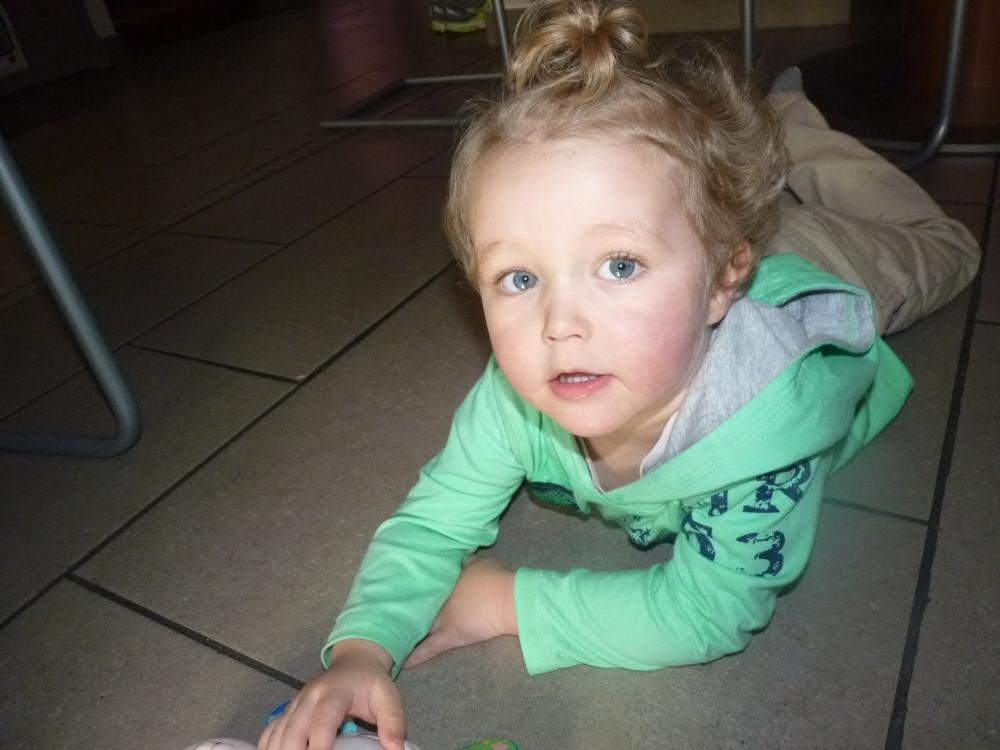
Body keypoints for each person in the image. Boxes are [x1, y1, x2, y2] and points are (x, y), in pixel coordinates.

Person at [259, 2, 980, 749]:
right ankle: (768, 152)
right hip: (709, 246)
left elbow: (710, 611)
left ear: (723, 280)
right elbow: (433, 522)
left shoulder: (760, 434)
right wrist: (361, 650)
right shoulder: (516, 399)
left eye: (619, 265)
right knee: (734, 199)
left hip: (823, 263)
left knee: (948, 245)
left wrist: (509, 603)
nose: (559, 323)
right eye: (519, 277)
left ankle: (796, 127)